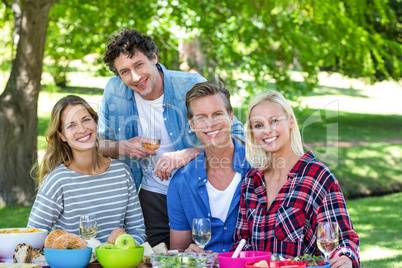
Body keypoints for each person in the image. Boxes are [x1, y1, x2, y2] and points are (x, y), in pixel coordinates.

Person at [98, 28, 245, 247]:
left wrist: (191, 153)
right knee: (156, 259)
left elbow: (238, 136)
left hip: (197, 191)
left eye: (139, 65)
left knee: (202, 254)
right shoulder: (114, 90)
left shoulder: (190, 84)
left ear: (154, 58)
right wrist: (123, 147)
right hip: (151, 194)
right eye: (125, 71)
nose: (135, 77)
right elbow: (100, 144)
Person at [232, 91, 360, 268]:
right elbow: (242, 243)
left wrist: (346, 258)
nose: (267, 130)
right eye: (258, 125)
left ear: (291, 121)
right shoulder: (251, 182)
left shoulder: (317, 177)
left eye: (274, 121)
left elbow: (343, 239)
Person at [27, 95, 146, 245]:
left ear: (96, 122)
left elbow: (138, 231)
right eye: (71, 125)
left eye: (86, 120)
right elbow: (33, 236)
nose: (82, 129)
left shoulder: (122, 172)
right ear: (62, 135)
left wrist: (121, 246)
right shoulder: (58, 181)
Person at [167, 81, 251, 253]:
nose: (210, 123)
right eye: (201, 117)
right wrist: (186, 256)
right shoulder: (181, 183)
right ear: (191, 124)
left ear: (231, 116)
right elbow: (178, 252)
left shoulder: (258, 167)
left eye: (217, 114)